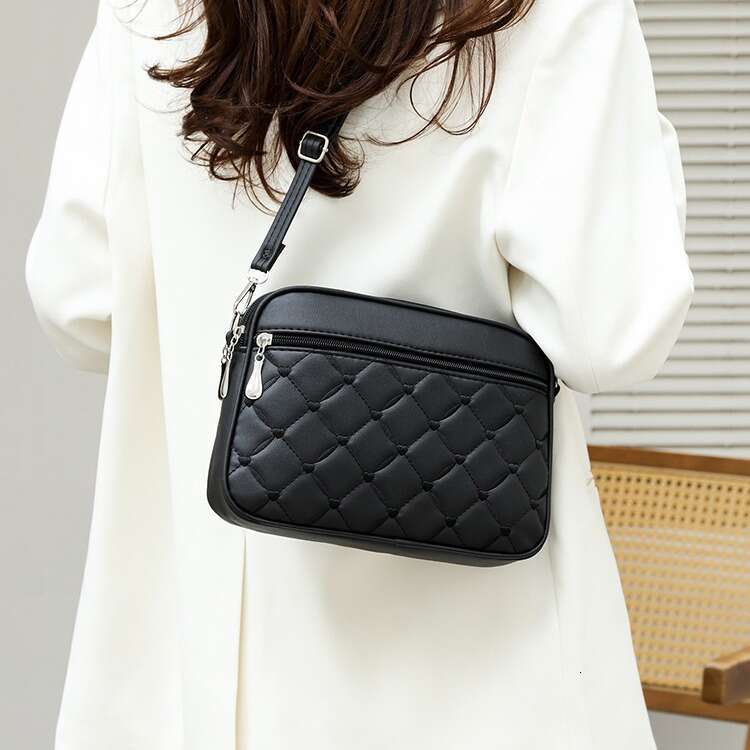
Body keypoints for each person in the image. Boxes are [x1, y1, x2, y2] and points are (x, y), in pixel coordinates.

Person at [26, 0, 693, 748]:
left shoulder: (145, 11)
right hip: (476, 674)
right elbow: (613, 334)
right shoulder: (553, 15)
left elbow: (79, 301)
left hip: (192, 658)